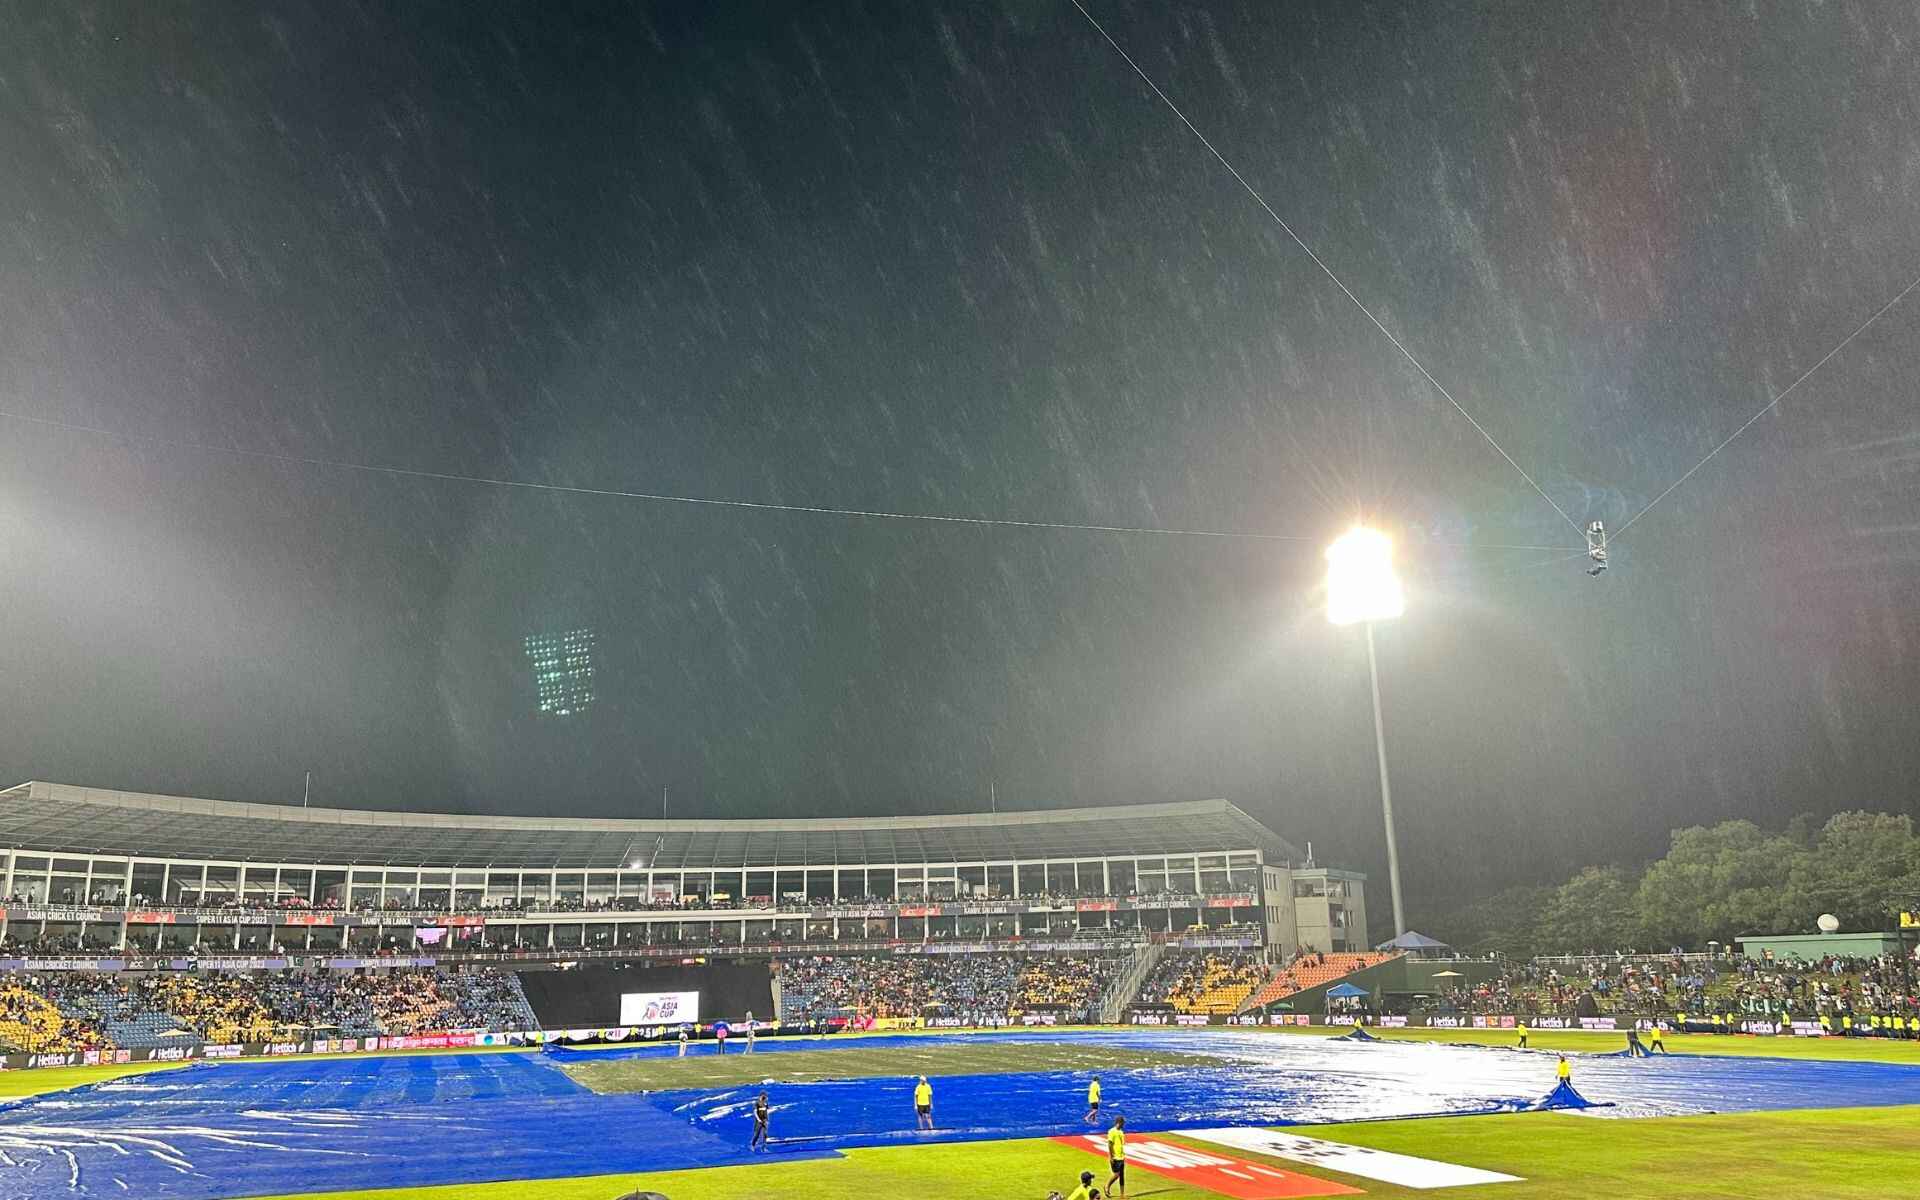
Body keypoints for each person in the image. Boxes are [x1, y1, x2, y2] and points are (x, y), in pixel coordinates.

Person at [1105, 1115, 1126, 1198]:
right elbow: (1110, 1144)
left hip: (1121, 1156)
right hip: (1115, 1157)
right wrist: (1111, 1156)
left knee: (1122, 1176)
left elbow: (1121, 1144)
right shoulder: (1112, 1131)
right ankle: (1107, 1186)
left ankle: (1122, 1195)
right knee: (1117, 1174)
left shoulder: (1121, 1132)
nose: (1123, 1125)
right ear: (1119, 1123)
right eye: (1122, 1123)